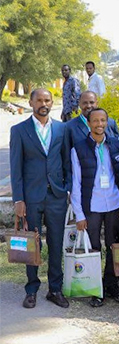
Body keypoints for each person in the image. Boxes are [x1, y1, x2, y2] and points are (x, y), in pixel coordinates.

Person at [10, 89, 71, 309]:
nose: (43, 103)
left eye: (47, 100)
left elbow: (67, 162)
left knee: (56, 244)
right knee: (32, 246)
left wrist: (68, 188)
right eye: (39, 100)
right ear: (31, 102)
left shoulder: (62, 129)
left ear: (51, 102)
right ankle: (32, 289)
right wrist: (19, 200)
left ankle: (55, 289)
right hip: (31, 197)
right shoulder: (19, 130)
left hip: (56, 196)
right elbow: (16, 167)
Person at [70, 108, 119, 307]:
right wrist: (79, 214)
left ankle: (111, 284)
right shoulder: (78, 148)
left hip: (114, 203)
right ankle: (96, 289)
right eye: (95, 120)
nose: (99, 124)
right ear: (89, 123)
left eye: (103, 120)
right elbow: (75, 183)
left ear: (107, 122)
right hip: (91, 206)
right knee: (94, 249)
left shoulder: (115, 144)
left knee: (113, 246)